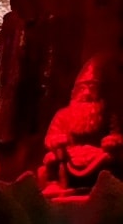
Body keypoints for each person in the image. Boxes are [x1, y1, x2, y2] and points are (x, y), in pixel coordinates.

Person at [38, 59, 123, 200]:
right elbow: (50, 137)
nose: (87, 92)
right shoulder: (63, 114)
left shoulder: (107, 114)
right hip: (69, 155)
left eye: (92, 87)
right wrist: (57, 140)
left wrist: (113, 141)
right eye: (83, 88)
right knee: (51, 159)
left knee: (111, 159)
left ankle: (106, 185)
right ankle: (55, 184)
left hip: (97, 154)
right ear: (75, 91)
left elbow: (116, 135)